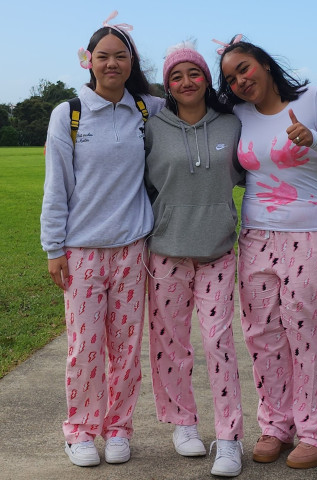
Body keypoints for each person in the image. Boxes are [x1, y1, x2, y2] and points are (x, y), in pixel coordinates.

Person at [216, 35, 317, 470]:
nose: (240, 81)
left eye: (244, 68)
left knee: (310, 334)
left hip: (315, 234)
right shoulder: (238, 114)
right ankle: (276, 424)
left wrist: (312, 137)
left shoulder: (313, 97)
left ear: (264, 64)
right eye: (231, 78)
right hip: (256, 236)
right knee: (262, 333)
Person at [40, 11, 164, 467]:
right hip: (83, 251)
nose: (112, 64)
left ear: (132, 63)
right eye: (103, 56)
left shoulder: (148, 109)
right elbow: (57, 187)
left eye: (121, 56)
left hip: (134, 249)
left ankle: (118, 429)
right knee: (85, 348)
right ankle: (80, 430)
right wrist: (54, 248)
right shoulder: (68, 114)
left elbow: (195, 106)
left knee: (126, 350)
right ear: (88, 61)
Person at [144, 41, 245, 477]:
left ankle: (229, 438)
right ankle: (183, 423)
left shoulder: (231, 123)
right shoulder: (152, 125)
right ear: (167, 84)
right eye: (176, 76)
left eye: (194, 73)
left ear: (207, 79)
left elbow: (250, 173)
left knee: (218, 343)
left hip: (218, 251)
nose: (186, 82)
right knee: (171, 346)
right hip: (166, 251)